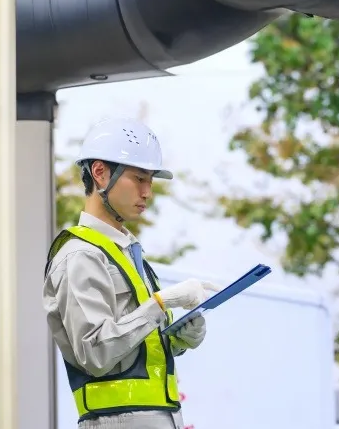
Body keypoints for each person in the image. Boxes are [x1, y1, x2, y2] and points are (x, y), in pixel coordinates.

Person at [43, 117, 222, 429]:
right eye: (139, 178)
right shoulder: (80, 255)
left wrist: (179, 338)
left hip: (157, 417)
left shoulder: (126, 252)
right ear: (100, 173)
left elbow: (136, 346)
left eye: (150, 180)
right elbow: (95, 353)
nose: (147, 192)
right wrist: (161, 303)